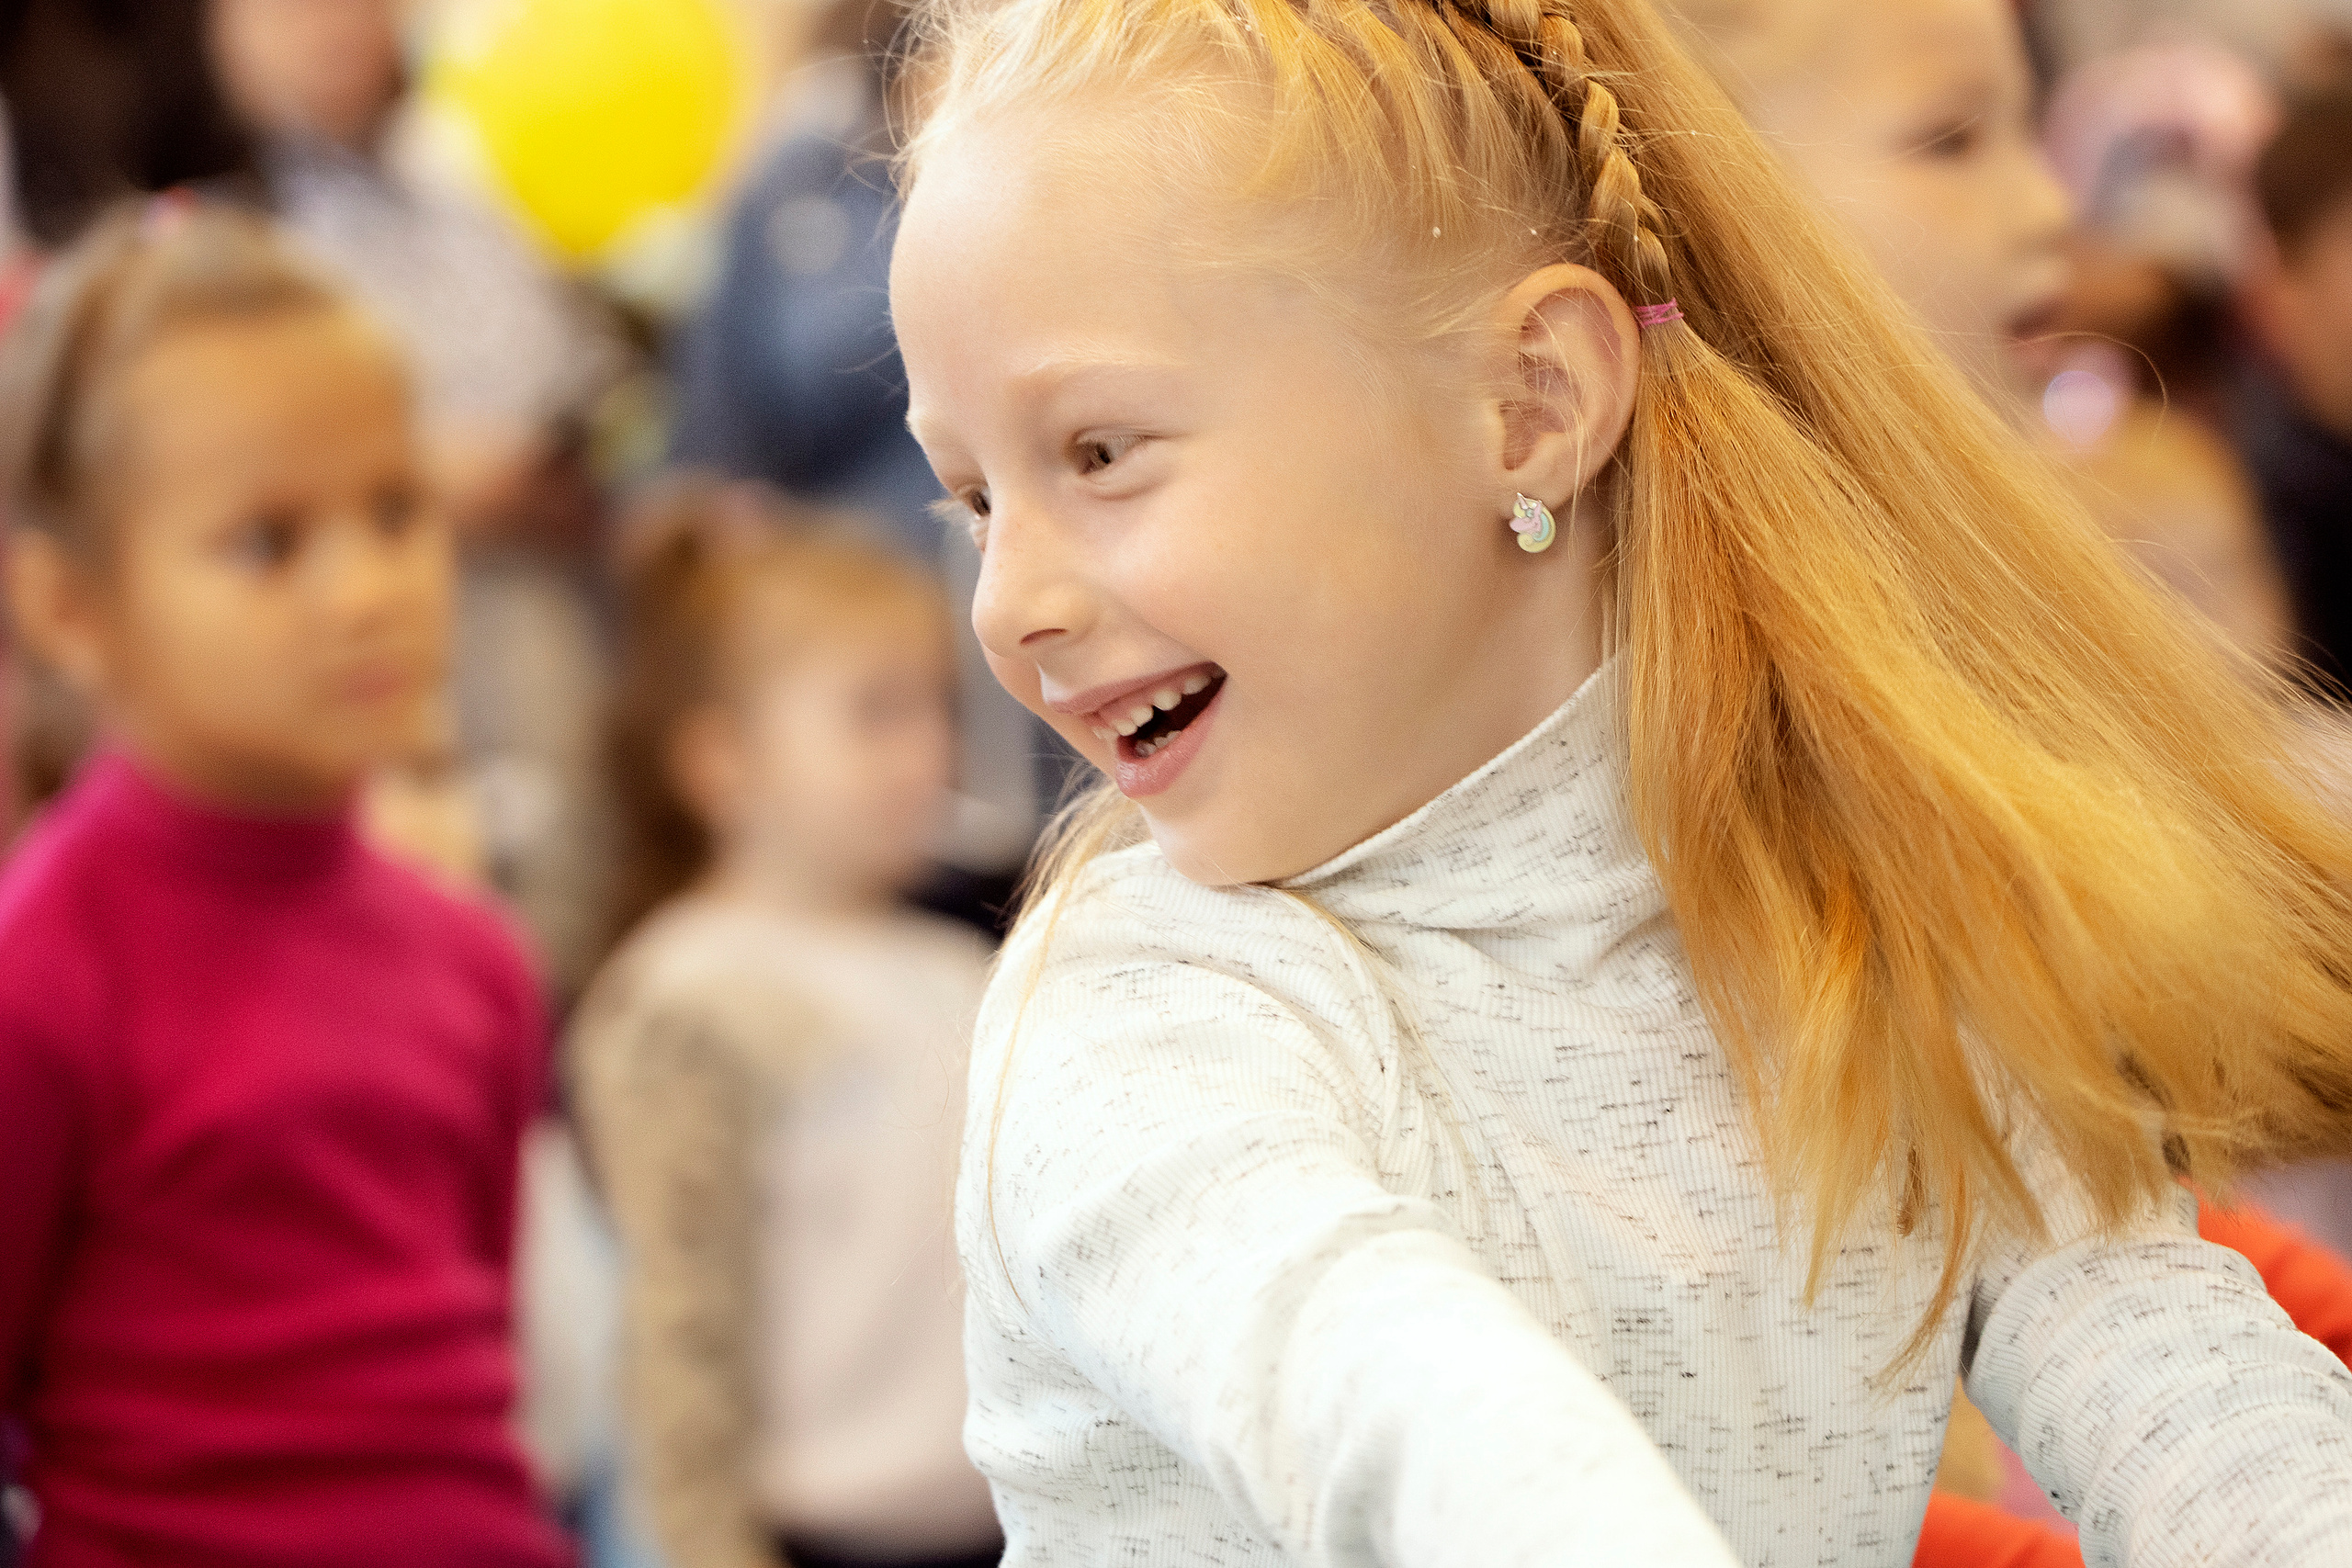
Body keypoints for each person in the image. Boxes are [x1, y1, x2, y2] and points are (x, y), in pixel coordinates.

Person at [886, 0, 2352, 1562]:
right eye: (973, 497)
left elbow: (2171, 1371)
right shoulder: (1139, 1012)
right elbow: (1408, 1414)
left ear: (1531, 406)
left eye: (1100, 453)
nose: (1006, 603)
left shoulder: (1832, 920)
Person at [0, 202, 569, 1568]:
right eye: (268, 540)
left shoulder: (475, 960)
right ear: (72, 607)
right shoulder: (43, 971)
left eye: (397, 510)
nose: (369, 588)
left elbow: (474, 1370)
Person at [570, 477, 1001, 1568]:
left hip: (1002, 1523)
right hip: (813, 1537)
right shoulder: (690, 996)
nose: (926, 753)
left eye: (936, 709)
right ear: (723, 762)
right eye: (875, 713)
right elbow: (679, 1340)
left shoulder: (960, 968)